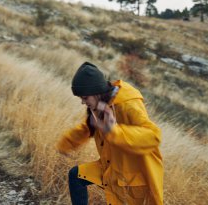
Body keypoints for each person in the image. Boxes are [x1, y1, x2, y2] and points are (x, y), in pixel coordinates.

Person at [56, 62, 163, 205]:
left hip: (132, 179)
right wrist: (66, 144)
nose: (82, 102)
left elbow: (153, 136)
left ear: (97, 92)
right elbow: (88, 126)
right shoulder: (102, 104)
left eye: (85, 97)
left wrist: (114, 131)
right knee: (76, 176)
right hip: (111, 168)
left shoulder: (128, 104)